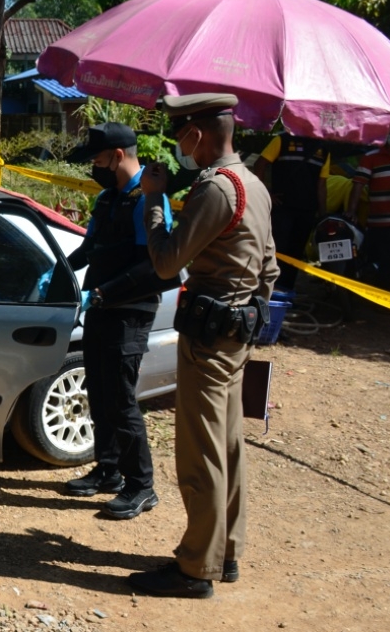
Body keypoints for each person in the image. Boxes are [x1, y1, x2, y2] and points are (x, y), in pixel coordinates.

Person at [130, 94, 279, 599]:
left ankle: (196, 569)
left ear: (196, 135)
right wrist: (249, 315)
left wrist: (153, 198)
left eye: (179, 136)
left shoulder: (216, 189)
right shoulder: (254, 184)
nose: (177, 147)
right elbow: (271, 268)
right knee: (228, 446)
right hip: (235, 335)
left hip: (209, 340)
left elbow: (168, 262)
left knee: (202, 455)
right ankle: (224, 552)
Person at [62, 122, 171, 520]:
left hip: (130, 312)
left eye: (97, 159)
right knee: (101, 394)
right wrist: (56, 270)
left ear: (118, 156)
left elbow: (154, 267)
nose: (94, 166)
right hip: (101, 309)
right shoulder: (108, 199)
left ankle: (141, 486)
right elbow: (91, 247)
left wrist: (104, 293)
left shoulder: (149, 200)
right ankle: (107, 470)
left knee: (122, 402)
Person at [252, 134, 330, 291]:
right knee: (276, 249)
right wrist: (266, 194)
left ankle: (286, 291)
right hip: (282, 207)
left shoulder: (324, 149)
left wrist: (323, 216)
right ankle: (268, 292)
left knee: (296, 252)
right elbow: (260, 164)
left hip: (307, 210)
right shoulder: (282, 140)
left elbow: (321, 185)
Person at [345, 132, 390, 292]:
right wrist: (351, 211)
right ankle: (382, 302)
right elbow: (358, 185)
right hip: (380, 223)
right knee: (382, 263)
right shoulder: (371, 157)